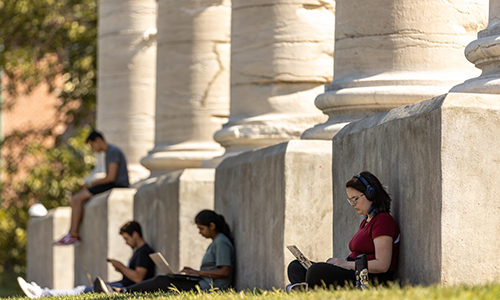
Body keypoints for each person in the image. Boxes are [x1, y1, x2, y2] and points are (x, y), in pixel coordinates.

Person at [287, 171, 400, 290]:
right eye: (350, 200)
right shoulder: (366, 222)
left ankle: (306, 288)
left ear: (371, 194)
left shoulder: (383, 221)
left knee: (316, 271)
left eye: (355, 199)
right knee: (296, 266)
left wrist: (345, 264)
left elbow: (382, 265)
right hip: (352, 270)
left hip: (366, 278)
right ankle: (307, 288)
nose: (352, 204)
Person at [95, 210, 235, 294]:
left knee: (162, 281)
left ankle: (120, 292)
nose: (200, 233)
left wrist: (196, 273)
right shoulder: (217, 242)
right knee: (166, 280)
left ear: (212, 225)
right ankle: (121, 291)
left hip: (209, 287)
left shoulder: (221, 241)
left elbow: (225, 271)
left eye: (201, 229)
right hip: (202, 282)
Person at [18, 221, 155, 298]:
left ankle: (42, 293)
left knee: (82, 290)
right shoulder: (138, 252)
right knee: (83, 289)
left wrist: (121, 266)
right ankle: (43, 292)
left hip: (125, 288)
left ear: (135, 234)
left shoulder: (144, 252)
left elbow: (138, 278)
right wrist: (121, 269)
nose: (126, 242)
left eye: (126, 238)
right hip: (122, 285)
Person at [54, 130, 130, 245]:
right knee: (75, 199)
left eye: (92, 145)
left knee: (76, 199)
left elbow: (111, 177)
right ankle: (71, 233)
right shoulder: (109, 152)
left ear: (98, 140)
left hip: (118, 184)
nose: (92, 148)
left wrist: (90, 184)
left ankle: (73, 234)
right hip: (114, 183)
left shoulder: (113, 151)